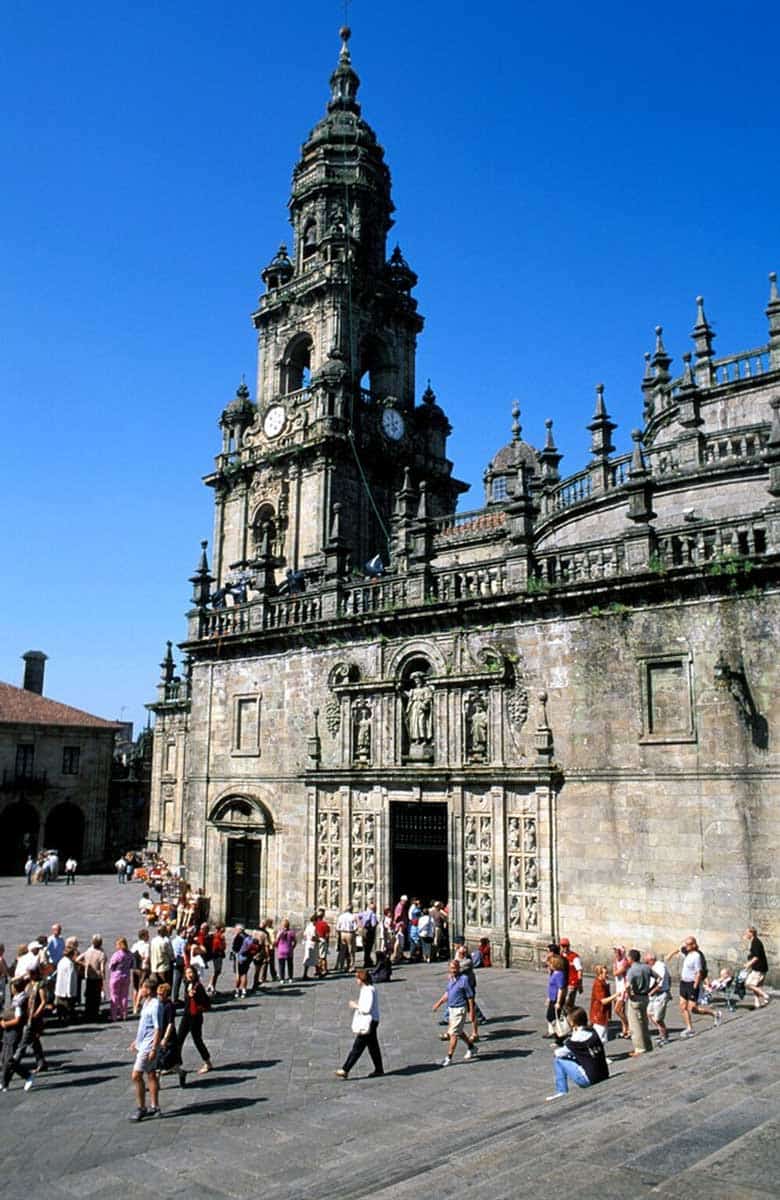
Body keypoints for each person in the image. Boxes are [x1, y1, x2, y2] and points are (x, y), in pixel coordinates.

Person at [546, 1006, 610, 1101]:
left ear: (572, 1023)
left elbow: (557, 1053)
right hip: (604, 1074)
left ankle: (561, 1091)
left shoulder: (574, 1040)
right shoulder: (593, 1032)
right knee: (578, 1055)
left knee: (559, 1060)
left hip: (589, 1079)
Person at [336, 969, 384, 1079]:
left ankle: (345, 1069)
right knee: (373, 1047)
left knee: (358, 1046)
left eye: (357, 978)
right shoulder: (369, 989)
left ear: (361, 980)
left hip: (368, 1022)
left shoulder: (367, 990)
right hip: (373, 1021)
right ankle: (379, 1069)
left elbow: (366, 1009)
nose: (356, 981)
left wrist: (355, 1005)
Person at [432, 960, 478, 1066]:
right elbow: (447, 993)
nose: (454, 970)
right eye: (452, 968)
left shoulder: (464, 980)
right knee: (459, 1031)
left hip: (460, 1009)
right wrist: (438, 1003)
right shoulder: (451, 979)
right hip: (451, 1009)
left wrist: (471, 1012)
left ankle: (449, 1057)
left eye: (456, 968)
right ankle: (471, 1047)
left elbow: (470, 997)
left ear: (459, 968)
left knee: (453, 1034)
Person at [129, 977, 163, 1121]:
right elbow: (144, 1026)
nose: (140, 990)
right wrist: (136, 1041)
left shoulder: (155, 1005)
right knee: (151, 1074)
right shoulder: (147, 1003)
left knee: (136, 1075)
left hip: (149, 1046)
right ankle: (155, 1106)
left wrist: (154, 1048)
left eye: (142, 987)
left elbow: (157, 1028)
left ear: (148, 990)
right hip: (144, 1044)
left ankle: (142, 1107)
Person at [677, 936, 722, 1038]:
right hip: (683, 983)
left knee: (693, 1009)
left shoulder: (697, 956)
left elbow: (698, 972)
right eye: (686, 944)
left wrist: (695, 986)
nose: (686, 946)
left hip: (692, 984)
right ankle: (689, 1028)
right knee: (682, 1006)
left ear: (693, 945)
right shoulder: (687, 953)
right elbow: (679, 948)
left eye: (688, 944)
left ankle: (715, 1013)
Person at [177, 965, 212, 1077]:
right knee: (179, 1039)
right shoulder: (187, 984)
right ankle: (175, 1064)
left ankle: (207, 1063)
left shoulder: (198, 987)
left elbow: (204, 1002)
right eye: (188, 973)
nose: (190, 975)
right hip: (186, 1016)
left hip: (195, 1017)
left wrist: (194, 995)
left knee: (197, 1040)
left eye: (191, 972)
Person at [1, 978, 34, 1092]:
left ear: (14, 988)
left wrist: (5, 1023)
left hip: (13, 1031)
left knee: (9, 1059)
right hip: (8, 1031)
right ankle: (4, 1083)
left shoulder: (20, 1001)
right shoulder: (17, 998)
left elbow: (18, 1019)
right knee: (4, 1058)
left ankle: (27, 1075)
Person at [625, 948, 653, 1056]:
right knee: (644, 1022)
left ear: (631, 958)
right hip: (645, 997)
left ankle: (639, 1048)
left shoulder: (631, 971)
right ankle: (648, 1045)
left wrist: (629, 994)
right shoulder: (646, 967)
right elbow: (659, 979)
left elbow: (627, 985)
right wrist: (650, 990)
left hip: (636, 997)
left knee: (635, 1025)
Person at [78, 935, 107, 1022]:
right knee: (96, 996)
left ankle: (88, 1013)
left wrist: (85, 965)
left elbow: (77, 959)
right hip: (97, 977)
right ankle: (95, 1013)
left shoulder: (88, 951)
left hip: (89, 976)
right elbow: (102, 968)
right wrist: (103, 977)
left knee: (88, 995)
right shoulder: (101, 954)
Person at [645, 953, 671, 1044]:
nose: (646, 963)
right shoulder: (652, 966)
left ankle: (664, 1037)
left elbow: (659, 985)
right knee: (649, 1013)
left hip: (660, 994)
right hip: (654, 995)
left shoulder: (660, 967)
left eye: (647, 962)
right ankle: (662, 1033)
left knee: (658, 1018)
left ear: (652, 960)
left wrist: (649, 993)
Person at [108, 937, 135, 1021]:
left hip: (116, 976)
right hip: (126, 976)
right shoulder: (130, 954)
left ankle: (114, 1016)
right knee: (124, 996)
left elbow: (111, 966)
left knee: (114, 996)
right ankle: (124, 1015)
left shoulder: (117, 954)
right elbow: (132, 965)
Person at [743, 927, 770, 1007]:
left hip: (758, 968)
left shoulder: (755, 942)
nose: (745, 934)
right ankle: (757, 1003)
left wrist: (748, 964)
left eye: (747, 933)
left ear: (751, 933)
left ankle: (765, 995)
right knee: (756, 986)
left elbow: (756, 957)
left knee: (748, 984)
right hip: (760, 968)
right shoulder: (754, 941)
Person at [589, 964, 615, 1049]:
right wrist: (616, 995)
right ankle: (597, 1056)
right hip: (599, 1014)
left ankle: (601, 1056)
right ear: (599, 974)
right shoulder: (598, 984)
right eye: (605, 973)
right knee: (600, 1037)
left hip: (603, 1013)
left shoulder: (603, 983)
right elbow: (603, 1001)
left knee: (603, 1037)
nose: (607, 975)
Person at [544, 947, 567, 1038]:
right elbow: (551, 987)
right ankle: (554, 1032)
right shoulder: (554, 973)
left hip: (556, 999)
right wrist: (549, 998)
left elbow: (561, 988)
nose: (549, 965)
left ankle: (559, 1033)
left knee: (552, 1016)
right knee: (550, 1016)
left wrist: (558, 1002)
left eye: (550, 964)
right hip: (552, 997)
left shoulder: (559, 974)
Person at [54, 945, 78, 1023]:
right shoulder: (70, 964)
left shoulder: (61, 961)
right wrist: (70, 992)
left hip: (59, 988)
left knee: (60, 1004)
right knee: (67, 1005)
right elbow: (70, 979)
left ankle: (60, 1017)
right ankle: (67, 1018)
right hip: (66, 990)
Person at [612, 946, 631, 1038]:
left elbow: (616, 973)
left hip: (624, 989)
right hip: (618, 987)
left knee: (617, 1010)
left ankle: (628, 1026)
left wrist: (615, 966)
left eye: (617, 952)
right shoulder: (616, 961)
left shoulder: (625, 962)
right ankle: (625, 1030)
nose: (615, 954)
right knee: (621, 1010)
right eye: (615, 952)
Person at [560, 938, 583, 1010]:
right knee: (561, 1001)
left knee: (569, 1002)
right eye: (563, 946)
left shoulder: (574, 957)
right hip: (562, 983)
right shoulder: (560, 955)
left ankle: (570, 1016)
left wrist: (580, 984)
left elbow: (579, 971)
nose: (565, 948)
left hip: (572, 983)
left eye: (566, 946)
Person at [131, 929, 151, 1012]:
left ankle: (134, 1004)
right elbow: (147, 958)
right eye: (147, 935)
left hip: (135, 968)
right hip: (143, 969)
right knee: (141, 987)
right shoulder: (146, 945)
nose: (149, 937)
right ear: (144, 936)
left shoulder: (135, 945)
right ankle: (136, 1006)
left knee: (135, 988)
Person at [336, 906, 358, 972]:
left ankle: (341, 966)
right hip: (350, 933)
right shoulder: (352, 916)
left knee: (342, 950)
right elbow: (355, 927)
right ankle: (352, 966)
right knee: (351, 951)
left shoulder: (341, 916)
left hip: (342, 933)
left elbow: (337, 927)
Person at [358, 902, 378, 969]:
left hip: (363, 930)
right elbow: (373, 924)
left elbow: (357, 916)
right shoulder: (373, 914)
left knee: (365, 947)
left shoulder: (364, 912)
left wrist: (360, 924)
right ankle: (367, 962)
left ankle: (368, 961)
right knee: (369, 947)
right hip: (369, 931)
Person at [207, 925, 226, 995]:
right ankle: (211, 985)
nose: (224, 929)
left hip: (216, 954)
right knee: (217, 970)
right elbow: (221, 947)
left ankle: (211, 985)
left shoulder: (217, 935)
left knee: (217, 971)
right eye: (223, 927)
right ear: (220, 929)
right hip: (217, 955)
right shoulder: (219, 936)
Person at [301, 914, 318, 981]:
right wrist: (319, 940)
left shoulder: (308, 926)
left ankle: (317, 971)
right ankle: (305, 974)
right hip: (312, 944)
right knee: (311, 958)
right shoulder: (313, 927)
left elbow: (304, 935)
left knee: (309, 958)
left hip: (308, 944)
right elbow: (313, 937)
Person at [315, 910, 330, 976]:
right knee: (323, 956)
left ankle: (318, 970)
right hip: (322, 939)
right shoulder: (325, 924)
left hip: (316, 940)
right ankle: (324, 969)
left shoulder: (315, 924)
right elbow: (327, 935)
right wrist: (327, 941)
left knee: (317, 956)